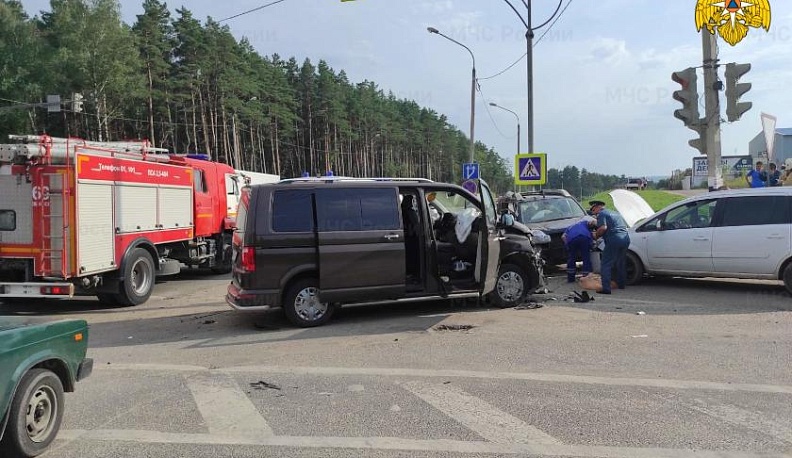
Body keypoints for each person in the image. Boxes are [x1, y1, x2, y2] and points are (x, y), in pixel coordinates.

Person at [589, 200, 630, 294]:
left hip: (614, 239)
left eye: (593, 209)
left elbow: (603, 228)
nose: (593, 212)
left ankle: (606, 288)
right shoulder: (615, 213)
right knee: (620, 262)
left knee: (605, 264)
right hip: (625, 238)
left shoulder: (602, 214)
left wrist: (596, 235)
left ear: (598, 207)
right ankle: (621, 284)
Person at [562, 216, 596, 283]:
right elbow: (593, 235)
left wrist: (567, 245)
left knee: (572, 258)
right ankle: (586, 277)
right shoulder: (587, 225)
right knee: (586, 257)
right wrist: (592, 244)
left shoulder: (570, 227)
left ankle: (571, 278)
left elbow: (563, 236)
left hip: (572, 240)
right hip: (584, 238)